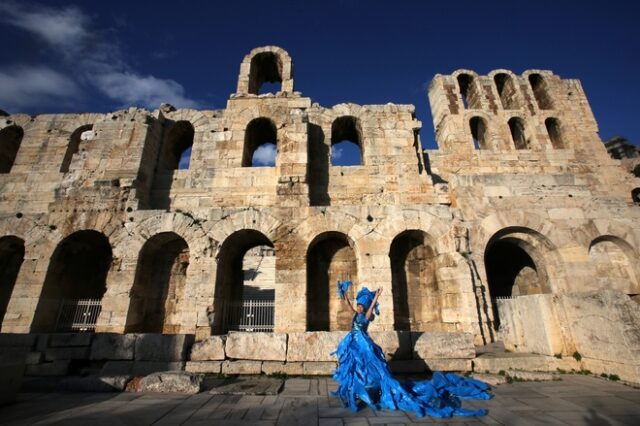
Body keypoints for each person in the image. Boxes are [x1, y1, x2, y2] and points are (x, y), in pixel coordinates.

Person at [331, 284, 492, 418]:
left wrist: (377, 296)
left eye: (361, 306)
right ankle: (360, 388)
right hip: (353, 343)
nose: (358, 307)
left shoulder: (366, 316)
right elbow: (348, 305)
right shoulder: (354, 314)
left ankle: (372, 389)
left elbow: (371, 307)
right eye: (358, 305)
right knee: (356, 368)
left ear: (364, 307)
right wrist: (344, 295)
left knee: (371, 367)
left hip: (364, 345)